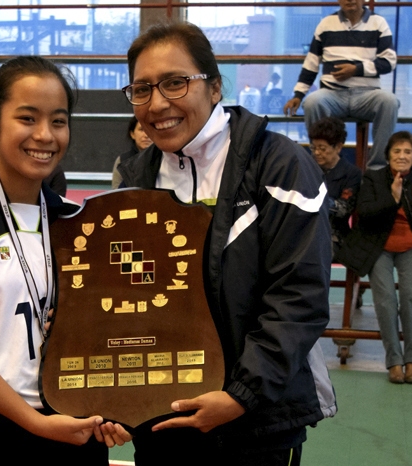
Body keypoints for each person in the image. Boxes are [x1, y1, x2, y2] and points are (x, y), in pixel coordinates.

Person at [116, 22, 336, 465]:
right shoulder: (136, 178)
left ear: (215, 87)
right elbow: (127, 295)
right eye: (141, 89)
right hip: (163, 421)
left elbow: (299, 296)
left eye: (175, 83)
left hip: (256, 424)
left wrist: (241, 395)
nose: (157, 104)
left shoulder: (280, 166)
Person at [0, 56, 126, 465]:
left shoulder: (73, 218)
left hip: (70, 421)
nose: (45, 135)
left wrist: (113, 407)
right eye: (28, 118)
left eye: (58, 121)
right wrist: (34, 423)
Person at [337, 131, 412, 384]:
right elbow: (365, 213)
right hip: (378, 246)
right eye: (397, 151)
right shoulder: (373, 178)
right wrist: (393, 198)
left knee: (409, 296)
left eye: (407, 152)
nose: (402, 156)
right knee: (385, 300)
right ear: (388, 155)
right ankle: (394, 361)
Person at [283, 0, 399, 171]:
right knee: (313, 102)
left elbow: (389, 62)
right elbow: (311, 63)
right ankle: (322, 164)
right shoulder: (326, 24)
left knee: (389, 102)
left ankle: (377, 169)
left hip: (367, 95)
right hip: (332, 94)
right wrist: (298, 95)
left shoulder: (378, 23)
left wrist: (356, 69)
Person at [308, 116, 362, 259]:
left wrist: (311, 199)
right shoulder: (307, 167)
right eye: (313, 147)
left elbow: (343, 209)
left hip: (333, 235)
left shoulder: (351, 173)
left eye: (322, 148)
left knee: (313, 255)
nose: (316, 153)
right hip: (306, 229)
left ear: (338, 147)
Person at [111, 116, 152, 188]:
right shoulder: (123, 160)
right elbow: (116, 192)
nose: (146, 135)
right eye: (141, 130)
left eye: (150, 130)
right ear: (132, 134)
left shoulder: (164, 159)